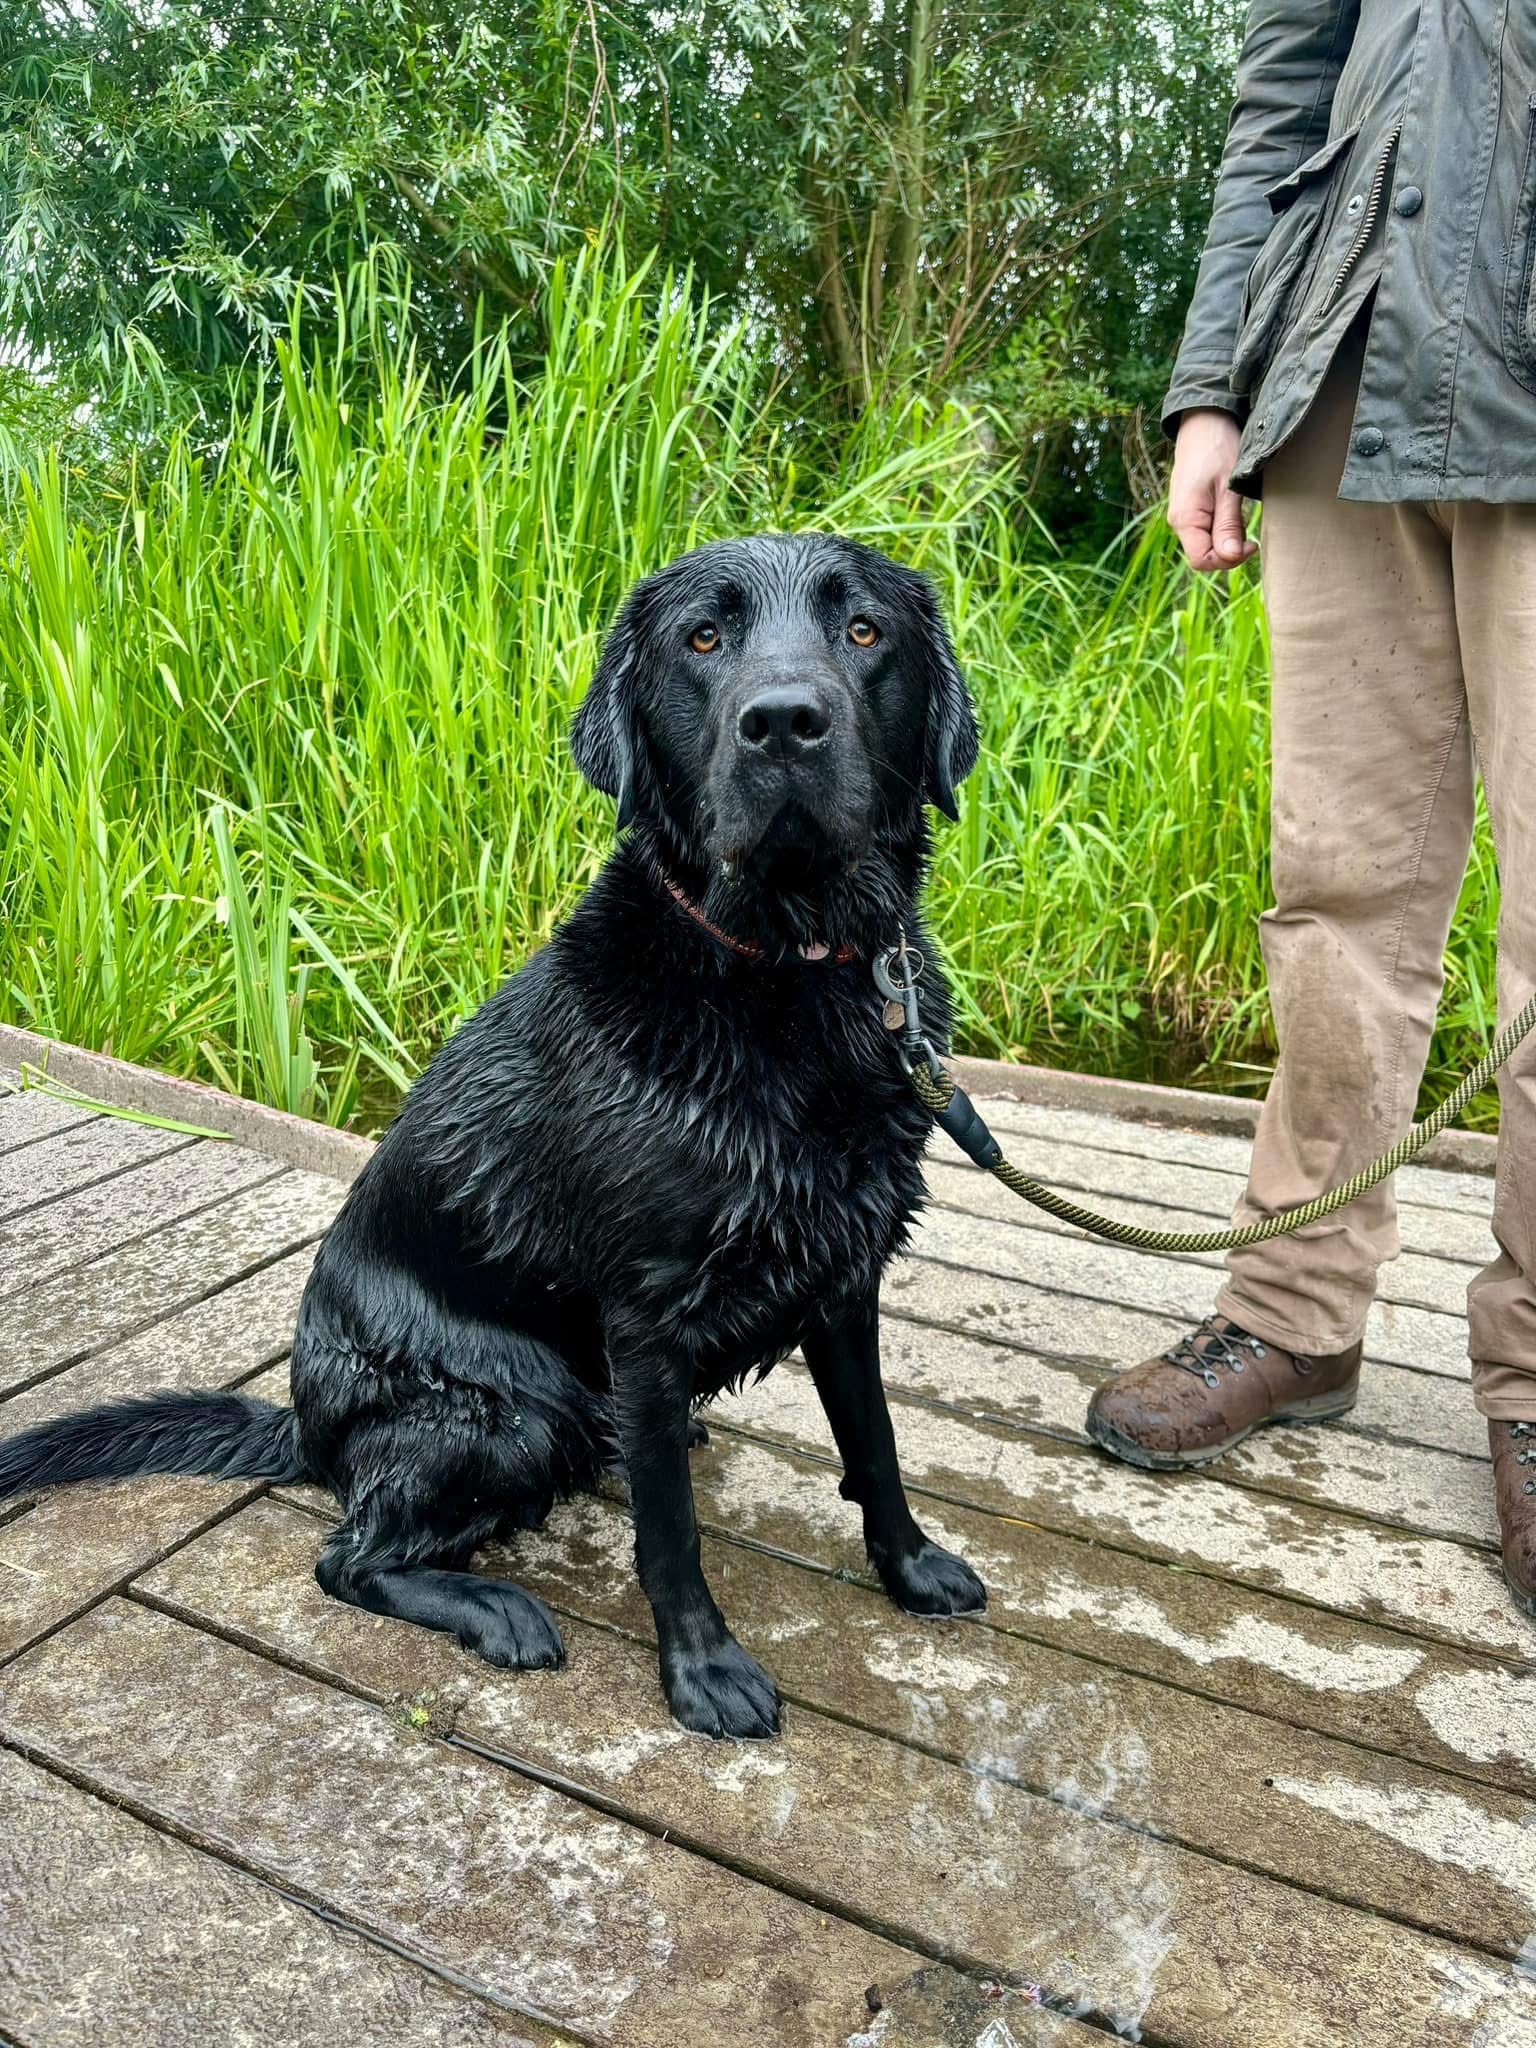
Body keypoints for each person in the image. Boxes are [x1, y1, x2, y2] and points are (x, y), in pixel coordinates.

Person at [1083, 0, 1536, 1617]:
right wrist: (1217, 388)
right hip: (1344, 368)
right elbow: (1283, 93)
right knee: (1335, 887)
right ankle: (1294, 1311)